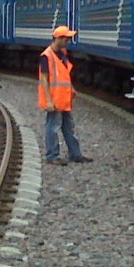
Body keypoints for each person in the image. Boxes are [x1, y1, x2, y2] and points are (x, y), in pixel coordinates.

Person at [39, 25, 93, 165]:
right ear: (58, 39)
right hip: (55, 100)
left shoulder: (62, 53)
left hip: (64, 99)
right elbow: (43, 78)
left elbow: (64, 75)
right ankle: (52, 156)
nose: (68, 41)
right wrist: (49, 101)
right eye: (66, 38)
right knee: (53, 127)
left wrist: (72, 88)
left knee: (69, 127)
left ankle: (75, 154)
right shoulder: (47, 56)